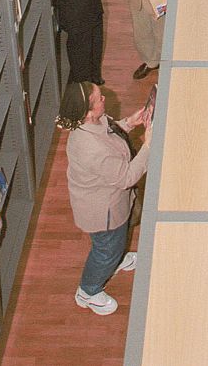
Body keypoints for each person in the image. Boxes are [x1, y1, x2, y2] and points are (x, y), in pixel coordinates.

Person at [56, 81, 151, 316]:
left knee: (116, 243)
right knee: (105, 250)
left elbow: (110, 132)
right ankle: (88, 291)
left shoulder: (92, 123)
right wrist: (149, 145)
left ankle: (117, 259)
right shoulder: (90, 148)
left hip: (112, 202)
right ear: (88, 113)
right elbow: (127, 177)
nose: (104, 100)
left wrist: (130, 122)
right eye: (99, 99)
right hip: (103, 213)